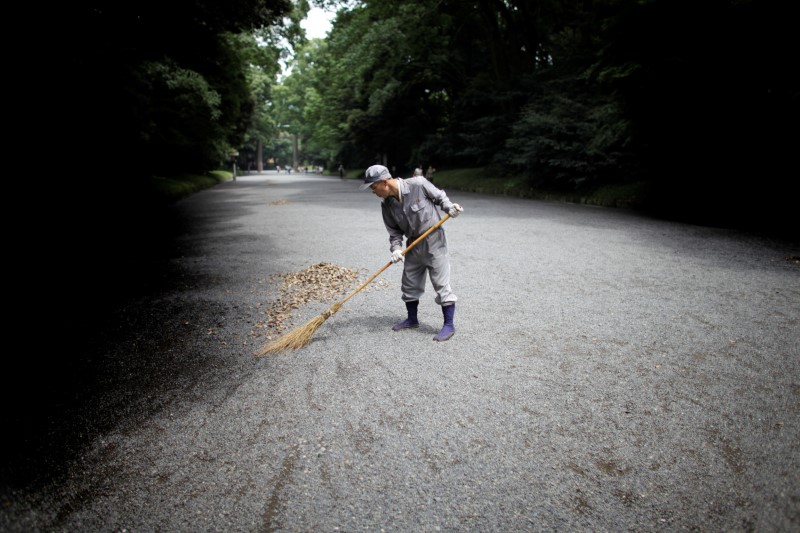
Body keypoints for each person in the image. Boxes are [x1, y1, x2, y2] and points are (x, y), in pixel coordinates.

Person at [361, 164, 464, 341]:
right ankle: (412, 319)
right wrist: (396, 249)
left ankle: (448, 325)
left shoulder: (418, 184)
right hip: (413, 245)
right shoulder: (387, 205)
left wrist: (450, 208)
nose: (372, 191)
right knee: (409, 282)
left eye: (373, 187)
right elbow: (394, 232)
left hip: (434, 241)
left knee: (441, 284)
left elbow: (440, 198)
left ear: (384, 182)